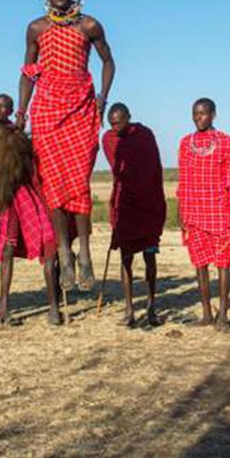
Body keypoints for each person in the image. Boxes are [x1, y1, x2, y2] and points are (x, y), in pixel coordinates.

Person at [18, 0, 115, 293]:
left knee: (77, 183)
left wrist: (102, 98)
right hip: (46, 113)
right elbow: (28, 73)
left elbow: (108, 62)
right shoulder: (36, 28)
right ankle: (64, 252)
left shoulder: (89, 26)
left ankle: (84, 252)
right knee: (53, 188)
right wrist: (21, 112)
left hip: (81, 111)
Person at [0, 101, 62, 326]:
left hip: (10, 200)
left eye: (3, 107)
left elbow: (28, 169)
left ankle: (3, 309)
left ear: (11, 111)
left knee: (7, 252)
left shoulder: (17, 135)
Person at [176, 98, 230, 332]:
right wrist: (181, 213)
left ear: (213, 114)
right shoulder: (185, 143)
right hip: (194, 213)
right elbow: (183, 181)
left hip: (220, 213)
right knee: (200, 264)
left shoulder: (226, 143)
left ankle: (223, 315)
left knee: (223, 264)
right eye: (195, 114)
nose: (199, 118)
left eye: (203, 113)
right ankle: (206, 313)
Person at [102, 103, 167, 328]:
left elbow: (154, 168)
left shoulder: (145, 135)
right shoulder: (109, 139)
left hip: (147, 202)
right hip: (125, 204)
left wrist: (150, 195)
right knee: (126, 258)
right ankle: (129, 309)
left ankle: (151, 307)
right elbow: (118, 169)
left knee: (150, 257)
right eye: (112, 123)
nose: (115, 126)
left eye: (119, 121)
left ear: (129, 117)